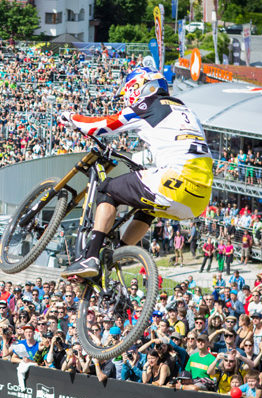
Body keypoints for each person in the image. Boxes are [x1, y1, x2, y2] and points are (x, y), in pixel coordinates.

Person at [59, 65, 213, 278]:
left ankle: (91, 256)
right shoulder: (186, 110)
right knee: (147, 208)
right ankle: (114, 257)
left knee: (107, 190)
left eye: (127, 91)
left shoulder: (147, 104)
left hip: (174, 180)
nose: (126, 97)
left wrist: (72, 118)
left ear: (139, 86)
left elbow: (102, 126)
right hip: (200, 199)